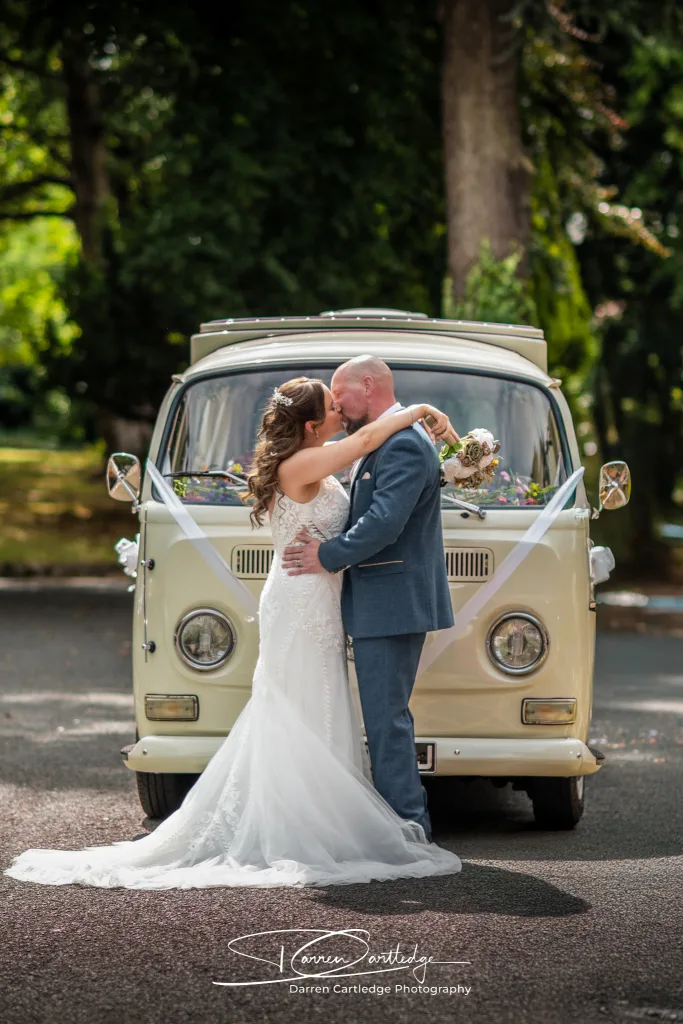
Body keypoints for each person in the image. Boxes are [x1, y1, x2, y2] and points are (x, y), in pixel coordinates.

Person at [3, 371, 462, 890]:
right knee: (300, 706)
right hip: (301, 597)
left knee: (319, 705)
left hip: (314, 596)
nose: (341, 410)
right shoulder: (306, 463)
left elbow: (367, 455)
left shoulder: (321, 455)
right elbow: (363, 441)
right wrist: (420, 409)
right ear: (312, 425)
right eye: (333, 405)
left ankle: (319, 817)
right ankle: (303, 826)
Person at [281, 355, 456, 842]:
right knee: (384, 717)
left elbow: (383, 522)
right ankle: (400, 821)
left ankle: (408, 828)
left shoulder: (402, 444)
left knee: (386, 720)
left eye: (341, 393)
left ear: (368, 384)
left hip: (392, 600)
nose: (337, 402)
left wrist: (328, 555)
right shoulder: (386, 437)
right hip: (380, 599)